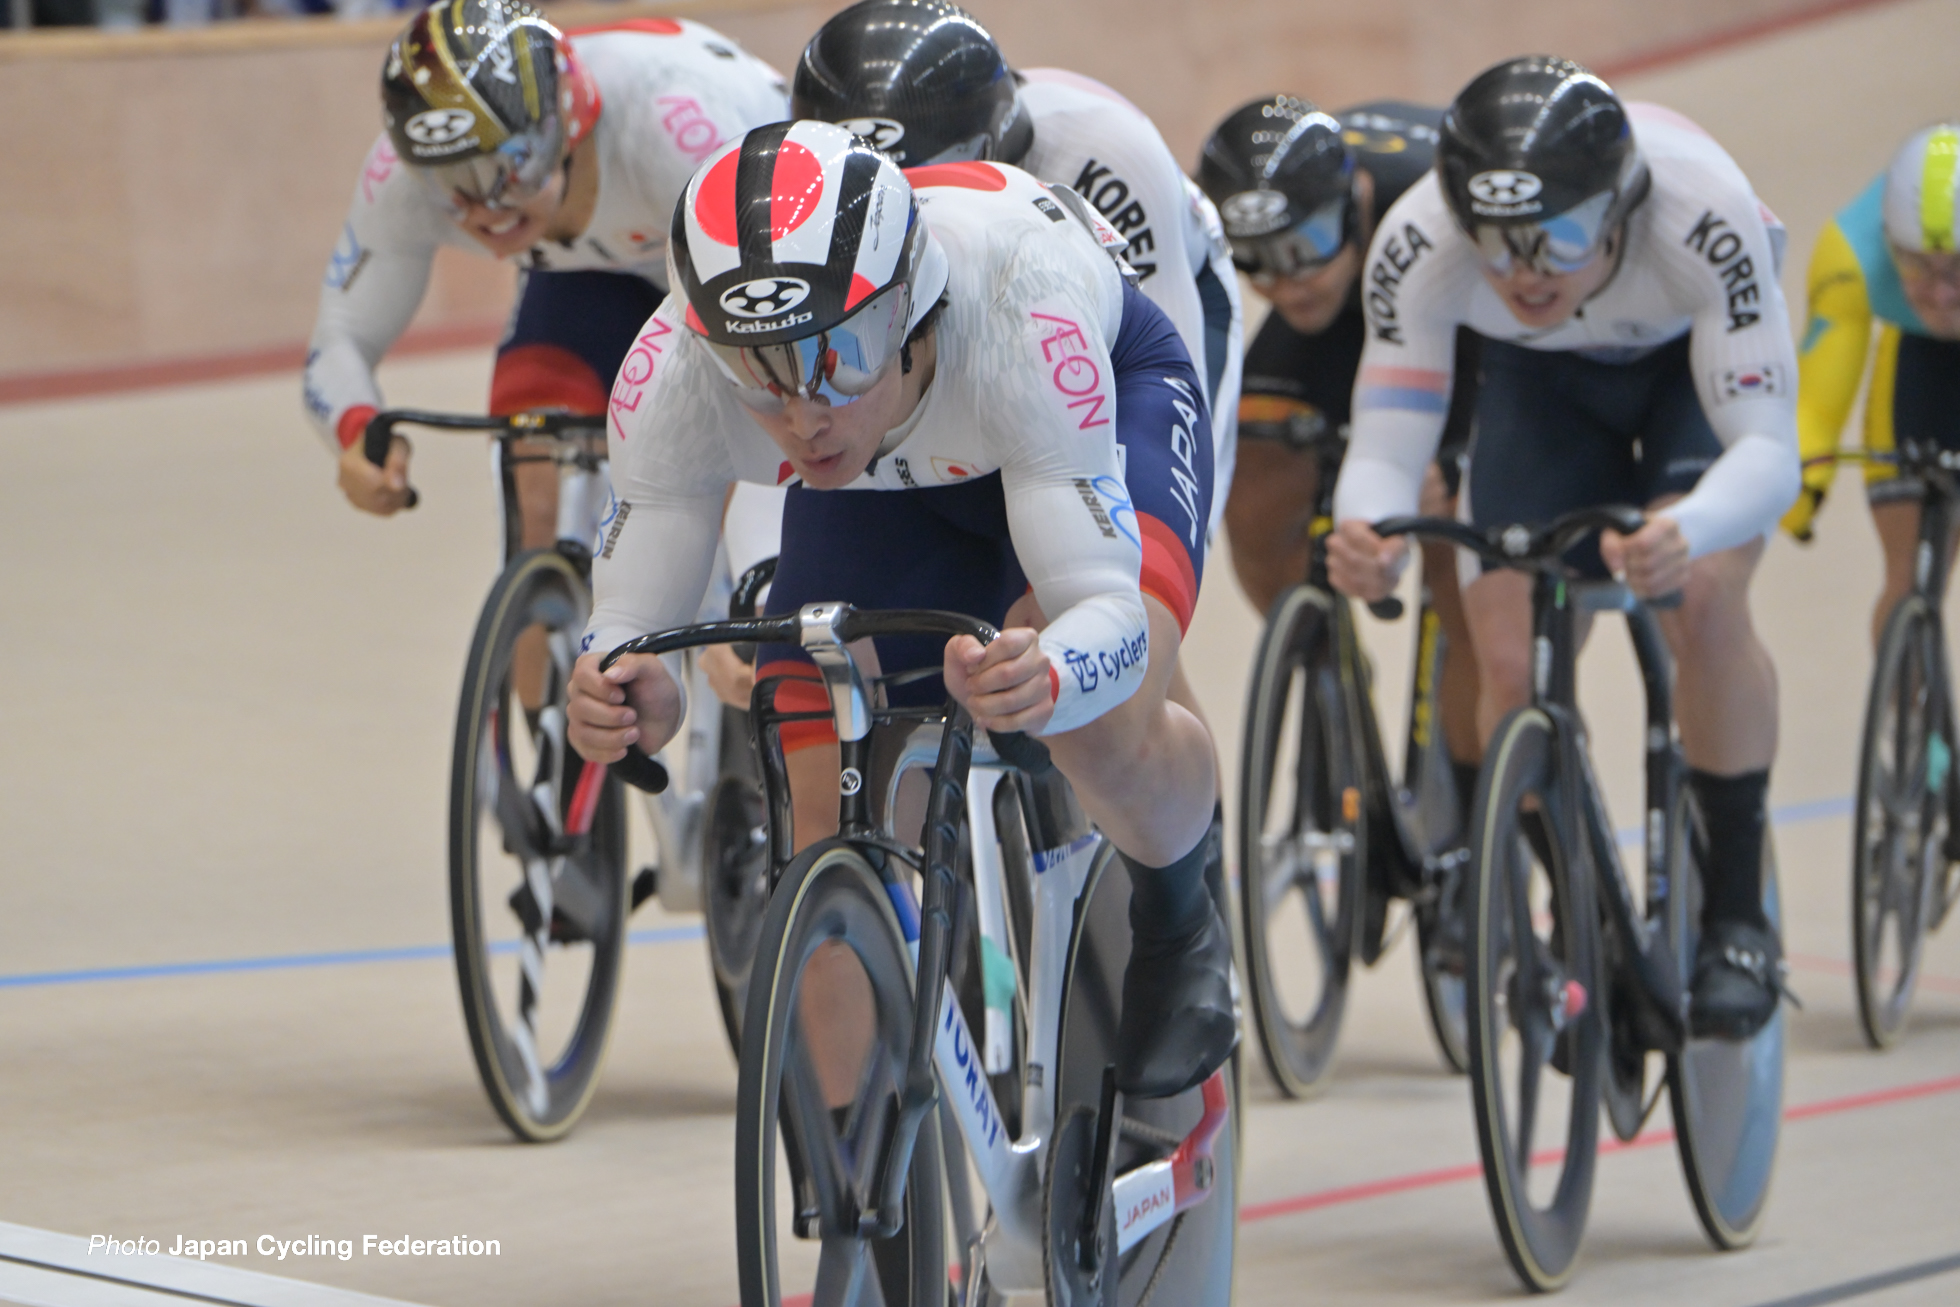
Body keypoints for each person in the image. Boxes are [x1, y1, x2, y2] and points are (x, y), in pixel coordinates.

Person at [565, 121, 1233, 1099]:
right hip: (882, 473)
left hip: (1078, 420)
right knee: (818, 807)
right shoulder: (672, 370)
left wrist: (1050, 671)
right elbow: (631, 621)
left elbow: (1108, 613)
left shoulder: (1021, 314)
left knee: (1100, 724)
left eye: (841, 354)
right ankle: (856, 1164)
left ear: (910, 308)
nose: (804, 415)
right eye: (758, 374)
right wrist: (630, 685)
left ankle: (1179, 914)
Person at [1326, 57, 1800, 1040]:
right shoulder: (1420, 240)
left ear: (1620, 207)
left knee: (1704, 594)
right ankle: (1580, 912)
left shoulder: (1703, 215)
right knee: (1507, 667)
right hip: (1540, 385)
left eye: (1559, 238)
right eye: (1494, 243)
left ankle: (1737, 919)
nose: (1523, 272)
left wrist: (1687, 529)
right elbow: (1386, 438)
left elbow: (1766, 449)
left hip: (1686, 371)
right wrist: (1365, 527)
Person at [303, 0, 787, 549]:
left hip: (742, 262)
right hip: (590, 269)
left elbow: (774, 325)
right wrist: (356, 429)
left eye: (512, 167)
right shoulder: (400, 177)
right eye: (448, 185)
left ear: (570, 122)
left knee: (729, 488)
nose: (486, 210)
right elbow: (342, 334)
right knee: (534, 479)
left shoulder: (668, 128)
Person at [788, 0, 1242, 541]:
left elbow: (1163, 374)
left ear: (995, 144)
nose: (920, 204)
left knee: (1159, 519)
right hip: (963, 307)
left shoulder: (1105, 156)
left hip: (1150, 292)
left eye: (929, 178)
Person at [1198, 93, 1482, 791]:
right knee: (1251, 464)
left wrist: (1453, 459)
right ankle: (1329, 675)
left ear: (1356, 201)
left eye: (1304, 248)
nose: (1287, 282)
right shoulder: (1308, 279)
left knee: (1453, 524)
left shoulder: (1436, 208)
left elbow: (1514, 360)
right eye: (1257, 259)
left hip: (1462, 320)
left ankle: (1478, 775)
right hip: (1342, 319)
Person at [1783, 123, 1960, 642]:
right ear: (1888, 242)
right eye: (1917, 266)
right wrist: (1796, 481)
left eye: (1958, 268)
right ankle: (1905, 683)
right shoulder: (1850, 254)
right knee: (1909, 580)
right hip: (1917, 365)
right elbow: (1816, 406)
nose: (1941, 294)